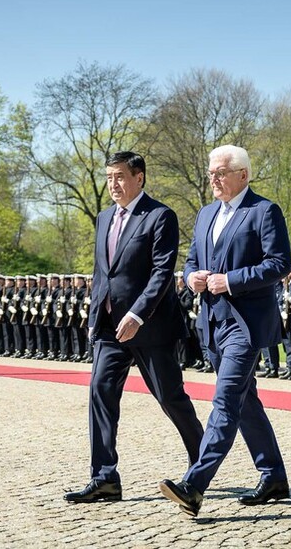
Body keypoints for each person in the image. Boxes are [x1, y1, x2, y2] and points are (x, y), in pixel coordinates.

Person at [160, 144, 291, 518]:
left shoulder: (264, 211)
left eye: (220, 172)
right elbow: (190, 262)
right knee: (246, 401)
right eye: (211, 173)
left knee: (226, 400)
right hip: (212, 324)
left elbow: (279, 263)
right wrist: (192, 278)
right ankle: (274, 476)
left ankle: (195, 486)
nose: (213, 178)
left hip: (246, 325)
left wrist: (229, 280)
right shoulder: (205, 214)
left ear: (243, 175)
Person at [65, 151, 204, 504]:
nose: (114, 184)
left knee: (170, 398)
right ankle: (104, 477)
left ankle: (203, 463)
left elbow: (162, 274)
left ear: (139, 177)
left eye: (121, 176)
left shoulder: (160, 217)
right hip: (111, 328)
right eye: (109, 177)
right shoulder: (103, 218)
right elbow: (102, 274)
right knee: (100, 392)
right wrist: (96, 314)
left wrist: (138, 314)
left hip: (151, 327)